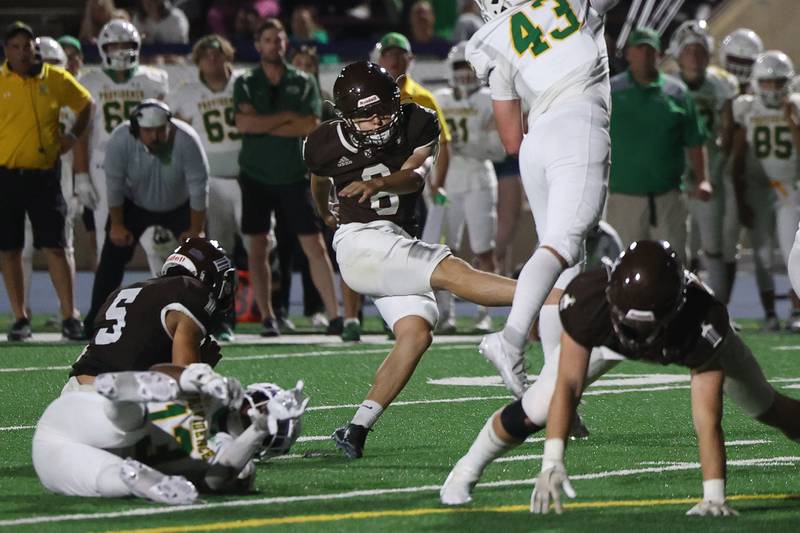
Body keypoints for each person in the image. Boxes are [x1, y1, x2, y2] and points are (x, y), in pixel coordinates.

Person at [442, 240, 800, 516]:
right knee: (537, 407)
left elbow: (708, 418)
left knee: (764, 406)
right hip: (607, 340)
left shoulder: (701, 319)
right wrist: (552, 462)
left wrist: (714, 497)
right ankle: (465, 470)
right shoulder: (588, 299)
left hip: (675, 337)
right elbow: (568, 384)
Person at [304, 61, 518, 459]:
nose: (380, 121)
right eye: (368, 117)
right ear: (345, 117)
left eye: (385, 109)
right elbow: (318, 179)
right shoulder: (322, 142)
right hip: (361, 242)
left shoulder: (418, 120)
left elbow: (417, 175)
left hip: (395, 240)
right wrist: (325, 212)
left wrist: (377, 183)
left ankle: (355, 430)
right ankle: (553, 295)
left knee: (416, 334)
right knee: (453, 272)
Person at [464, 0, 619, 399]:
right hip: (578, 123)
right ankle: (511, 338)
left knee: (562, 269)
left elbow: (511, 138)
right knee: (562, 249)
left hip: (537, 144)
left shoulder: (501, 42)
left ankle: (556, 394)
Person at [35, 364, 308, 504]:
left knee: (108, 476)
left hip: (57, 458)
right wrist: (199, 380)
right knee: (127, 427)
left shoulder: (236, 458)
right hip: (78, 419)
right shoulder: (213, 392)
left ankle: (141, 481)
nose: (254, 415)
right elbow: (159, 372)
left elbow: (216, 480)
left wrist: (257, 431)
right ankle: (123, 393)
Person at [233, 18, 341, 337]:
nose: (274, 44)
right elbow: (243, 124)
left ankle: (334, 314)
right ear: (258, 44)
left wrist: (263, 122)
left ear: (285, 44)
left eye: (278, 39)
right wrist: (286, 118)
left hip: (293, 173)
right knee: (257, 246)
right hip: (255, 173)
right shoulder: (246, 81)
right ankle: (268, 315)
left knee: (315, 244)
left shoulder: (303, 81)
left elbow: (309, 124)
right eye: (268, 39)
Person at [0, 21, 93, 341]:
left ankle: (69, 314)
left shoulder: (54, 78)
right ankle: (20, 316)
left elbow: (86, 105)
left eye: (27, 46)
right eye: (15, 46)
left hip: (45, 174)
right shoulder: (0, 81)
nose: (22, 52)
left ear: (35, 48)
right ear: (6, 50)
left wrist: (71, 136)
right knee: (10, 249)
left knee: (57, 246)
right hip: (7, 175)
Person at [82, 100, 209, 333]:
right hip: (136, 204)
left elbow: (199, 187)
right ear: (136, 129)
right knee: (111, 257)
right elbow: (115, 186)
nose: (156, 136)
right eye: (148, 131)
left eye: (161, 130)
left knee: (205, 258)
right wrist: (118, 225)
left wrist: (196, 228)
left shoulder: (187, 140)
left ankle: (216, 321)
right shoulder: (120, 140)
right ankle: (95, 320)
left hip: (180, 203)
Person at [69, 238, 234, 392]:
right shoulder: (191, 292)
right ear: (209, 274)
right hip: (113, 400)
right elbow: (185, 390)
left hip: (73, 390)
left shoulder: (125, 291)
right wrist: (200, 369)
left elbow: (133, 354)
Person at [73, 19, 171, 278]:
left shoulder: (153, 79)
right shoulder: (89, 81)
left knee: (158, 241)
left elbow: (166, 130)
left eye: (125, 45)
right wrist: (81, 175)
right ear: (103, 48)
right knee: (108, 245)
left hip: (147, 164)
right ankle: (105, 310)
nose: (119, 50)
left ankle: (166, 304)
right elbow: (81, 133)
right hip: (103, 165)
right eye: (114, 45)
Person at [168, 35, 242, 341]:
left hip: (247, 176)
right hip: (211, 180)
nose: (212, 59)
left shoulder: (243, 84)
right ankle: (224, 317)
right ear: (198, 60)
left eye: (218, 53)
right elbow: (179, 137)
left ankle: (270, 312)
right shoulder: (186, 93)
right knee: (221, 254)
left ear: (227, 56)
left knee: (264, 246)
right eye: (206, 55)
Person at [432, 41, 506, 333]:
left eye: (468, 66)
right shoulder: (439, 97)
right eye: (459, 67)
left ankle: (484, 312)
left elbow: (500, 149)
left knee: (483, 249)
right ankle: (445, 313)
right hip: (447, 180)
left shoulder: (488, 97)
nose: (463, 73)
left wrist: (475, 144)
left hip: (478, 178)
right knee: (443, 250)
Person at [668, 21, 739, 303]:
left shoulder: (719, 84)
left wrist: (717, 167)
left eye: (699, 50)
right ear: (678, 54)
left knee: (713, 245)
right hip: (676, 175)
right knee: (683, 247)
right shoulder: (670, 85)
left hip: (710, 173)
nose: (694, 56)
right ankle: (684, 307)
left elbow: (728, 128)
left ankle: (719, 310)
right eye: (689, 51)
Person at [732, 51, 800, 331]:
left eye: (777, 82)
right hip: (760, 189)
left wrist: (791, 120)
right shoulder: (747, 107)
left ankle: (796, 310)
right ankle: (770, 313)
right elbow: (737, 151)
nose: (772, 88)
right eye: (767, 83)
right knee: (760, 254)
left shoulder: (795, 104)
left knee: (791, 252)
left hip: (788, 189)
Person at [20, 37, 82, 326]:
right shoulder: (15, 92)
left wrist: (82, 179)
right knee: (21, 247)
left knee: (62, 245)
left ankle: (67, 312)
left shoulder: (73, 95)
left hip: (62, 174)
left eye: (53, 64)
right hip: (24, 172)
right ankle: (23, 311)